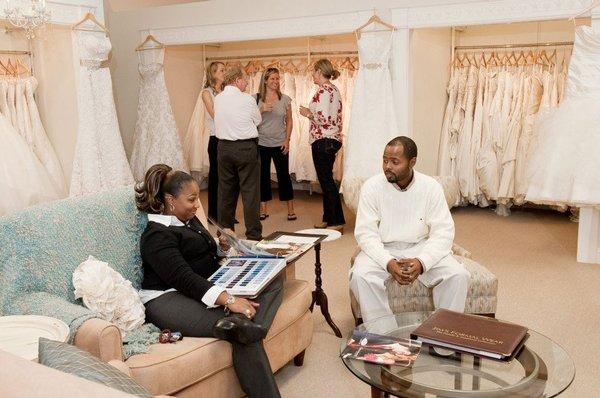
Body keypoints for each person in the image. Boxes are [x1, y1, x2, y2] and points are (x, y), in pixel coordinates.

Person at [135, 164, 282, 398]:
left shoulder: (187, 219)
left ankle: (252, 329)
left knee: (275, 277)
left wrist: (220, 245)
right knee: (240, 328)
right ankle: (248, 333)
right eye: (191, 199)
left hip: (204, 283)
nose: (197, 205)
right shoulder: (156, 235)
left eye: (197, 199)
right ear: (170, 200)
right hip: (166, 297)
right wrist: (228, 299)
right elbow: (184, 278)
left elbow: (198, 252)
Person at [349, 136, 470, 322]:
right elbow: (366, 234)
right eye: (385, 160)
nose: (387, 166)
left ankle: (442, 339)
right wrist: (388, 262)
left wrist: (422, 261)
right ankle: (383, 335)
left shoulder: (431, 187)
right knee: (360, 276)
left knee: (458, 275)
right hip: (383, 248)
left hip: (421, 246)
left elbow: (443, 232)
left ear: (412, 162)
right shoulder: (371, 187)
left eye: (395, 161)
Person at [214, 67, 262, 240]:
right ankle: (254, 234)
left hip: (224, 148)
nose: (247, 82)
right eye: (245, 79)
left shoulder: (218, 99)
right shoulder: (247, 99)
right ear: (236, 80)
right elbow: (258, 120)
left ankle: (225, 233)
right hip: (245, 149)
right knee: (250, 192)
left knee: (225, 191)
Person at [299, 59, 345, 232]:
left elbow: (324, 119)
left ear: (319, 71)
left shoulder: (324, 91)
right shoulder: (333, 89)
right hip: (331, 139)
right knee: (326, 180)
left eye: (313, 71)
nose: (312, 74)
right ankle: (328, 218)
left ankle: (336, 221)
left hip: (324, 139)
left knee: (326, 181)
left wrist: (308, 113)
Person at [255, 67, 297, 221]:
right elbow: (250, 119)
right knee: (262, 177)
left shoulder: (285, 99)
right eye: (272, 78)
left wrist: (287, 140)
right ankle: (263, 210)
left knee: (284, 176)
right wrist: (261, 109)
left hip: (280, 142)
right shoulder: (256, 98)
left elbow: (290, 120)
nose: (275, 81)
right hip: (261, 143)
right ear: (265, 80)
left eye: (277, 78)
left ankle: (291, 210)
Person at [202, 61, 225, 221]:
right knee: (216, 177)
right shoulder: (206, 93)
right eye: (222, 70)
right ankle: (213, 213)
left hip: (229, 138)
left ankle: (226, 212)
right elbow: (214, 114)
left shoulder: (227, 91)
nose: (225, 72)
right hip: (216, 139)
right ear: (214, 73)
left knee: (229, 178)